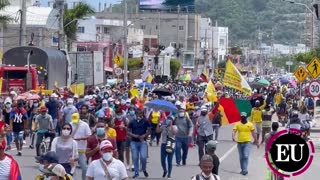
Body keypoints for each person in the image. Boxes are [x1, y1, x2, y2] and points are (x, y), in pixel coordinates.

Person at [127, 109, 151, 178]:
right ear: (135, 114)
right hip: (134, 142)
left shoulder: (145, 121)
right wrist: (134, 135)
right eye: (138, 113)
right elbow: (128, 131)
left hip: (142, 142)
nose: (139, 115)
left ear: (142, 114)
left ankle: (143, 169)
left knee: (143, 157)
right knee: (135, 157)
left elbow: (149, 130)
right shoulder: (132, 122)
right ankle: (136, 172)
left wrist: (144, 135)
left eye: (140, 114)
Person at [70, 113, 91, 180]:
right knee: (73, 167)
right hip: (72, 149)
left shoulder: (85, 125)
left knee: (84, 167)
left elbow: (89, 136)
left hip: (82, 149)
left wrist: (81, 139)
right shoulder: (70, 124)